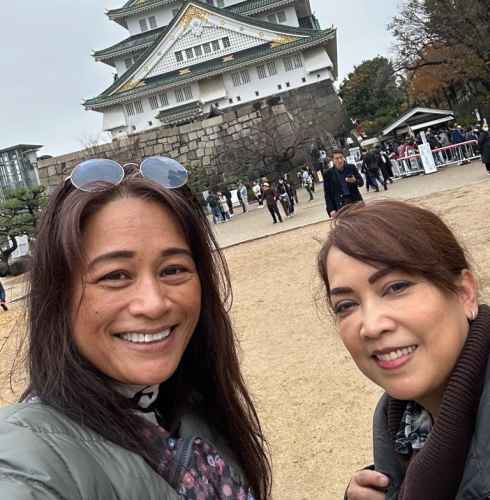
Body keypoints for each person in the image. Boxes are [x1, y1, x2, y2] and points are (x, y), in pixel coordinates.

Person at [0, 157, 271, 499]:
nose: (154, 303)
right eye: (115, 276)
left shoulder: (195, 411)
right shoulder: (27, 459)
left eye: (173, 269)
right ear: (59, 296)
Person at [318, 199, 488, 500]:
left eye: (396, 287)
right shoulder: (398, 427)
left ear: (464, 293)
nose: (370, 326)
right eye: (346, 305)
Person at [324, 149, 364, 218]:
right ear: (332, 160)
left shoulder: (351, 167)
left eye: (341, 157)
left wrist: (355, 181)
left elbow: (361, 183)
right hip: (340, 203)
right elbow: (327, 193)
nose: (339, 160)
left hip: (355, 200)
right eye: (336, 158)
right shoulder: (328, 173)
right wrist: (331, 209)